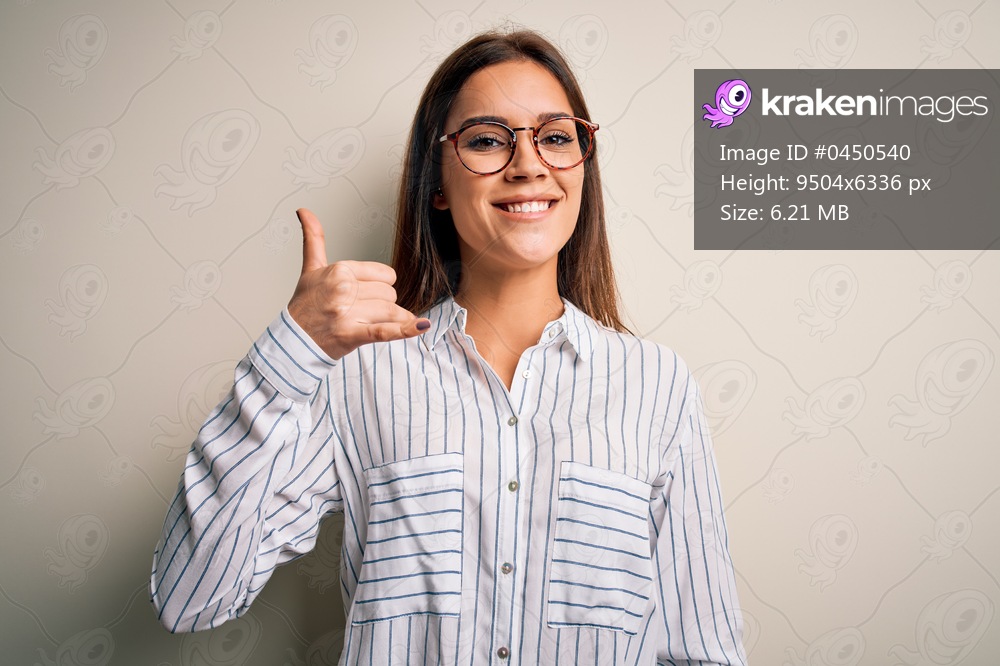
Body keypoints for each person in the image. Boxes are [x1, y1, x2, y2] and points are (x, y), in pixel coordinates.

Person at [150, 28, 747, 665]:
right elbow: (190, 598)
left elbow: (703, 649)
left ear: (582, 167)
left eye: (555, 136)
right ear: (436, 184)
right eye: (488, 139)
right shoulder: (357, 379)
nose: (528, 163)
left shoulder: (658, 386)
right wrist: (290, 353)